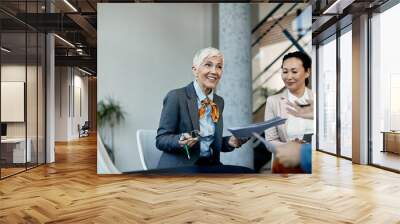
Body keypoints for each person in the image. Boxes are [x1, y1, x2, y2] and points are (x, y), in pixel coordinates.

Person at [156, 47, 247, 169]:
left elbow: (210, 142)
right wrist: (180, 139)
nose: (214, 71)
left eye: (219, 67)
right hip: (181, 168)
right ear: (195, 70)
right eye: (208, 65)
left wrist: (230, 142)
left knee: (245, 173)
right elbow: (161, 140)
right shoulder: (176, 97)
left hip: (209, 165)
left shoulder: (219, 102)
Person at [264, 51, 314, 173]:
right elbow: (270, 141)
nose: (288, 77)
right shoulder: (273, 102)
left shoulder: (317, 99)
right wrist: (293, 148)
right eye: (285, 71)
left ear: (307, 72)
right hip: (286, 167)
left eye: (294, 71)